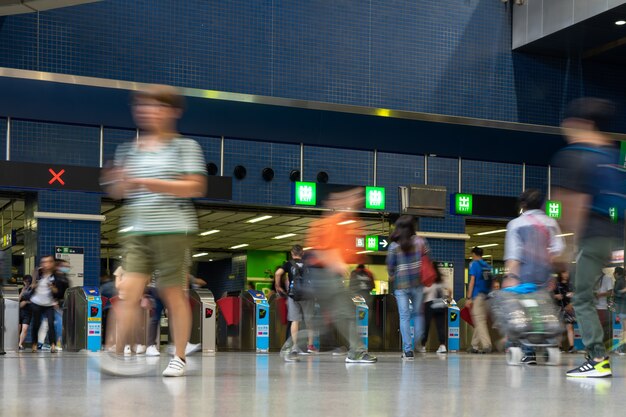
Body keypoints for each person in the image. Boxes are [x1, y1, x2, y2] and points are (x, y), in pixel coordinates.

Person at [100, 85, 208, 377]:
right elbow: (120, 191)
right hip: (136, 228)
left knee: (171, 292)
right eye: (143, 105)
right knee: (128, 293)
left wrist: (150, 182)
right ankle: (115, 350)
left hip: (173, 228)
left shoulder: (185, 147)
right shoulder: (130, 149)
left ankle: (180, 356)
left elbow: (195, 185)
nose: (148, 111)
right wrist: (116, 181)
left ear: (173, 111)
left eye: (156, 105)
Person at [552, 97, 623, 378]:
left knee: (581, 298)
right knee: (588, 296)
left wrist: (567, 247)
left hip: (592, 237)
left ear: (584, 124)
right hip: (610, 236)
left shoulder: (578, 154)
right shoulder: (611, 155)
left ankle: (596, 359)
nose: (567, 130)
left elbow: (576, 204)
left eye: (569, 124)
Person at [303, 188, 377, 364]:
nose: (357, 201)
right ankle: (356, 352)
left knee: (325, 322)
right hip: (325, 276)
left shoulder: (347, 223)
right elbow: (323, 253)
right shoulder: (331, 223)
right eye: (352, 197)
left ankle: (291, 347)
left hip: (329, 276)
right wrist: (339, 265)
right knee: (346, 314)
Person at [502, 189, 565, 364]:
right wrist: (550, 273)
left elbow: (513, 254)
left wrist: (511, 276)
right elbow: (558, 250)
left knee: (525, 312)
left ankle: (528, 352)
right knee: (545, 310)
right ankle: (550, 347)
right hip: (544, 276)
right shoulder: (551, 223)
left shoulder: (515, 224)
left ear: (523, 205)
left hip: (524, 277)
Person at [387, 215, 428, 361]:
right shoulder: (421, 241)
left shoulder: (394, 245)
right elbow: (427, 260)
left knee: (404, 316)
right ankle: (417, 340)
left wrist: (392, 274)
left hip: (401, 285)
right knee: (418, 314)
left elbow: (390, 266)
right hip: (417, 284)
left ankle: (408, 350)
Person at [275, 245, 317, 361]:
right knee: (309, 320)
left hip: (293, 295)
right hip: (307, 295)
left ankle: (295, 346)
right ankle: (310, 346)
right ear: (302, 253)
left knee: (295, 320)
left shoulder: (288, 264)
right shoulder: (308, 264)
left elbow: (278, 273)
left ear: (292, 253)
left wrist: (278, 286)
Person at [29, 256, 63, 353]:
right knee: (36, 324)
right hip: (37, 302)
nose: (45, 264)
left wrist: (51, 287)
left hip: (49, 304)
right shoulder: (39, 274)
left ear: (52, 264)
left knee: (51, 324)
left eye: (48, 262)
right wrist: (34, 275)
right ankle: (34, 344)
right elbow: (32, 286)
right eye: (43, 262)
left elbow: (57, 291)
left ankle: (53, 345)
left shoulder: (55, 276)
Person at [466, 247, 493, 354]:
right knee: (480, 321)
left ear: (474, 254)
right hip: (486, 297)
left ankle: (487, 345)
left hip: (477, 297)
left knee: (479, 321)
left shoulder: (474, 264)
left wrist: (468, 298)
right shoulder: (487, 266)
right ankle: (474, 345)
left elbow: (472, 281)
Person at [420, 261, 450, 354]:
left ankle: (423, 346)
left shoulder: (428, 278)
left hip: (429, 304)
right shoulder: (441, 279)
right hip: (440, 304)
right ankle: (442, 346)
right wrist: (448, 300)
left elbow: (423, 291)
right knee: (441, 326)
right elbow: (449, 290)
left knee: (426, 326)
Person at [554, 271, 576, 353]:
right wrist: (556, 296)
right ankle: (559, 346)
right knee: (559, 328)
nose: (565, 275)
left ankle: (571, 346)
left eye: (567, 273)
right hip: (558, 307)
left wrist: (571, 304)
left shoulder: (571, 285)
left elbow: (576, 297)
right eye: (563, 273)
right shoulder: (556, 284)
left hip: (569, 307)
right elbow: (551, 295)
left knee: (569, 326)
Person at [594, 271, 614, 345]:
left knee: (600, 326)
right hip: (591, 306)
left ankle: (600, 344)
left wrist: (599, 295)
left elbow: (610, 292)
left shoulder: (607, 278)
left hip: (601, 306)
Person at [18, 275, 33, 351]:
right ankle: (16, 343)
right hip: (19, 311)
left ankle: (20, 344)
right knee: (18, 328)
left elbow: (34, 301)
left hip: (28, 311)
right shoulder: (20, 289)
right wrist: (22, 292)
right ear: (23, 282)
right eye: (25, 281)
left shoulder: (32, 291)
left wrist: (26, 302)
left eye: (28, 282)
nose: (27, 283)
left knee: (25, 329)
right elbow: (17, 300)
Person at [613, 267, 626, 355]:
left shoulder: (619, 281)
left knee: (624, 329)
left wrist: (620, 291)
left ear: (617, 273)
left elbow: (617, 293)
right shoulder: (623, 281)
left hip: (622, 307)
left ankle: (622, 349)